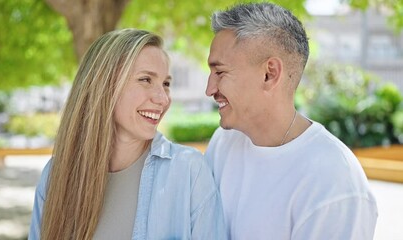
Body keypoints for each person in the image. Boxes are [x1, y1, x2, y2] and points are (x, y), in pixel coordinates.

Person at [28, 28, 226, 240]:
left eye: (166, 84)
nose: (163, 99)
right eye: (146, 80)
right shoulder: (55, 176)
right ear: (104, 86)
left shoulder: (188, 171)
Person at [205, 2, 378, 239]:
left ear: (269, 74)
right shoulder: (224, 142)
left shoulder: (333, 181)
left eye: (220, 72)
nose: (209, 89)